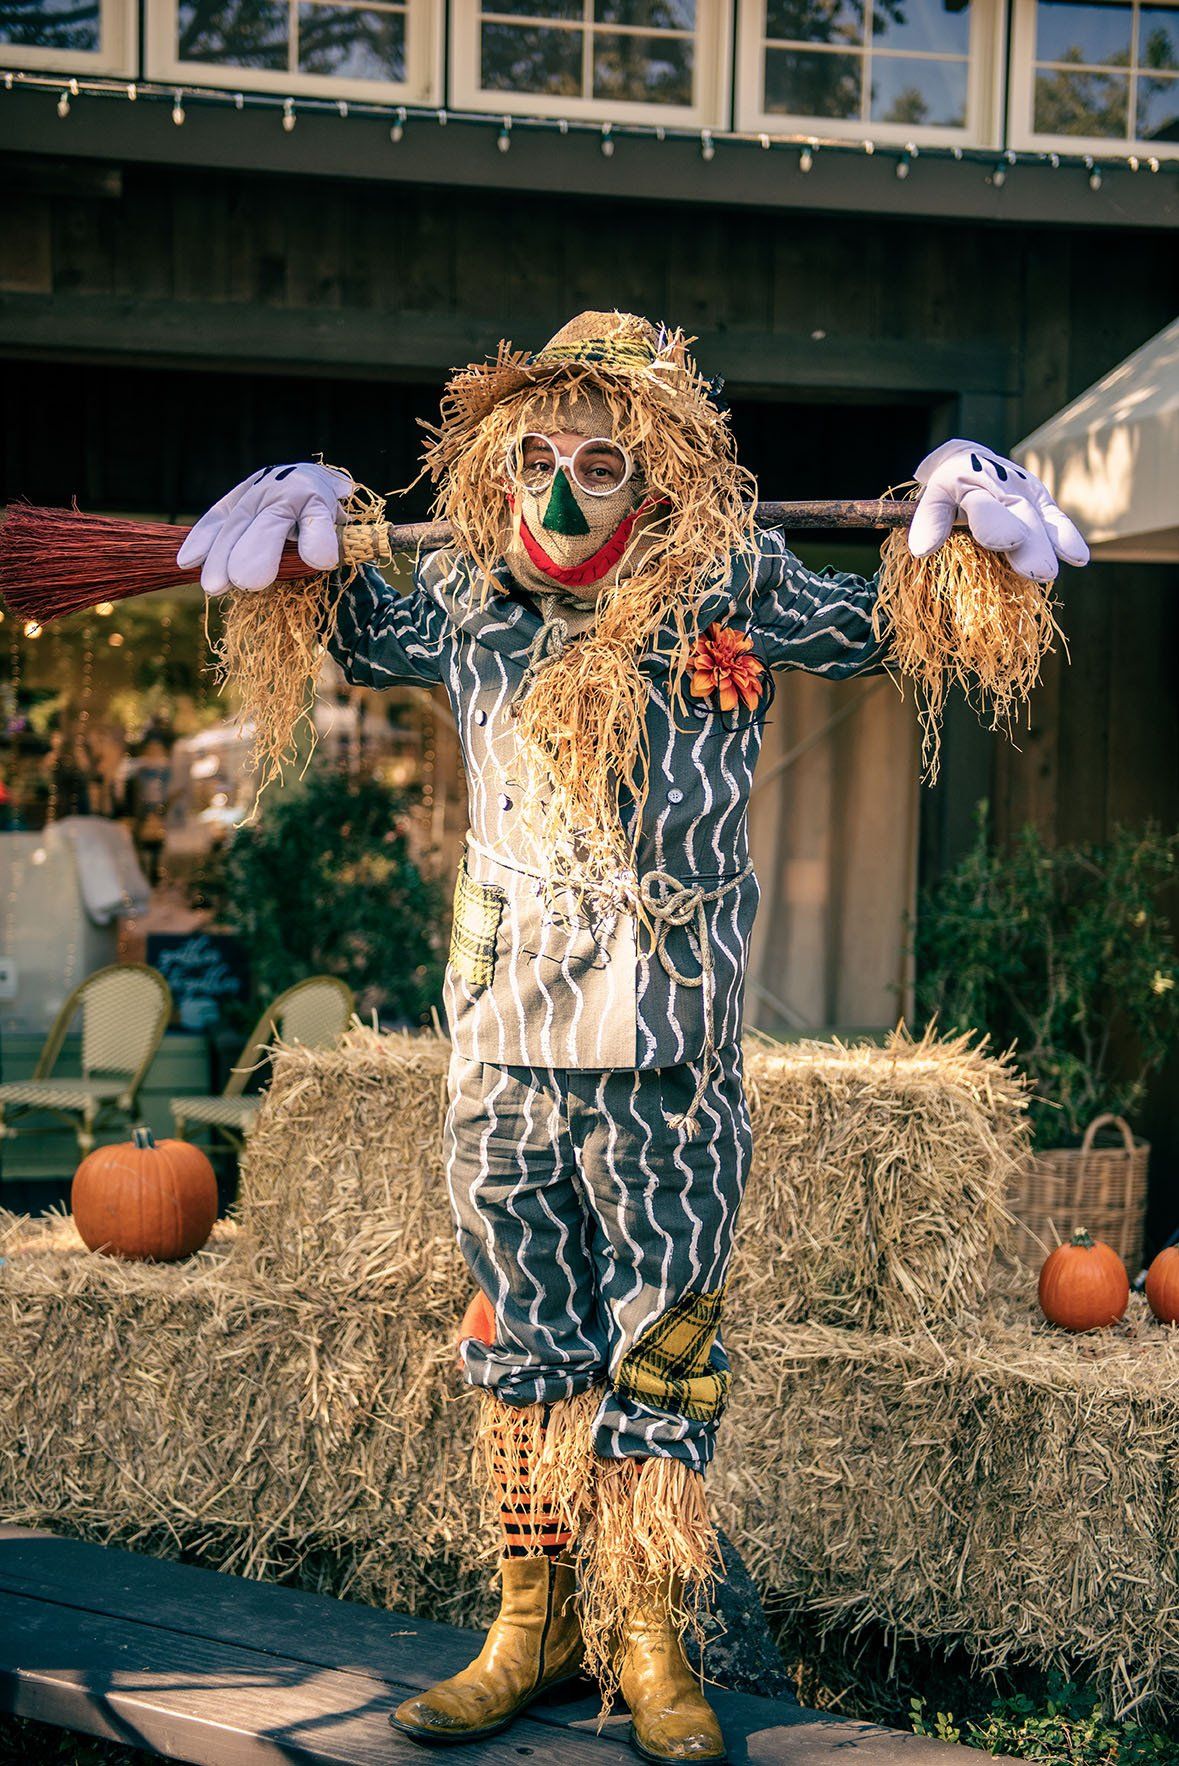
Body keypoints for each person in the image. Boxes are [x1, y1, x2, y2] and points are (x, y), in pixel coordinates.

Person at [178, 312, 1087, 1764]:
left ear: (656, 471)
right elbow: (344, 615)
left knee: (661, 1342)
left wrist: (955, 523)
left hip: (670, 1048)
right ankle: (528, 1622)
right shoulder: (471, 588)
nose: (559, 495)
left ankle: (649, 1634)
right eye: (535, 457)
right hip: (506, 1051)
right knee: (523, 1341)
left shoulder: (732, 575)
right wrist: (321, 517)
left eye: (598, 463)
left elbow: (882, 628)